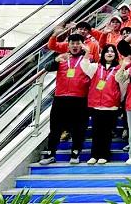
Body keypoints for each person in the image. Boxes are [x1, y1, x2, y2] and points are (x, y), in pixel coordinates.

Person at [39, 33, 91, 165]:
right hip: (60, 98)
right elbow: (47, 68)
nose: (75, 46)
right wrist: (56, 60)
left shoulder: (88, 58)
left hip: (79, 98)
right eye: (72, 43)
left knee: (78, 128)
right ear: (68, 45)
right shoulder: (62, 58)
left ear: (82, 45)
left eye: (78, 43)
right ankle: (51, 154)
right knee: (55, 128)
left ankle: (75, 153)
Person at [83, 44, 127, 165]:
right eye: (107, 51)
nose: (110, 53)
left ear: (115, 55)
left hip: (111, 105)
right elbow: (84, 66)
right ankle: (94, 155)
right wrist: (86, 53)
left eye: (112, 52)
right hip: (96, 104)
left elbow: (123, 87)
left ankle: (104, 155)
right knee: (96, 132)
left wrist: (117, 99)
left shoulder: (119, 69)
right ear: (103, 54)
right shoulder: (96, 67)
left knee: (107, 132)